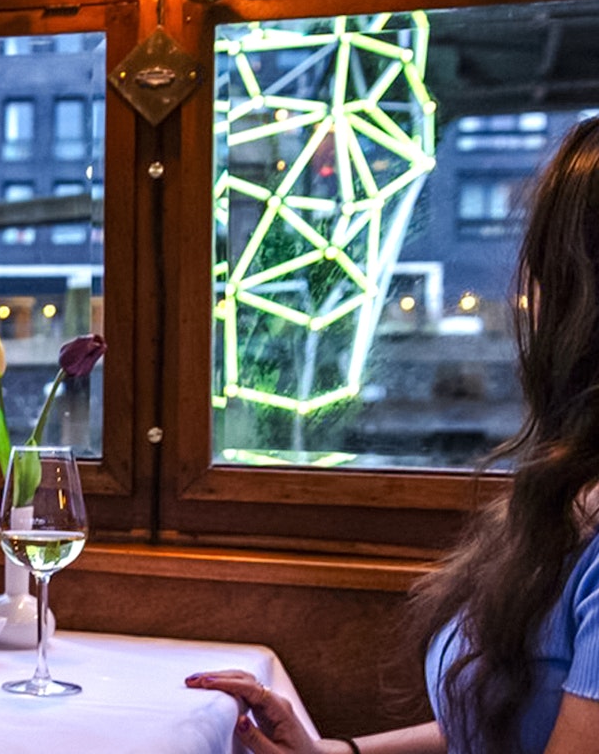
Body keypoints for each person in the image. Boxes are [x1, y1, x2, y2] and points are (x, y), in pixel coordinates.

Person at [185, 118, 599, 753]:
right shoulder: (569, 494)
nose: (526, 297)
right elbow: (512, 720)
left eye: (545, 268)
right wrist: (338, 752)